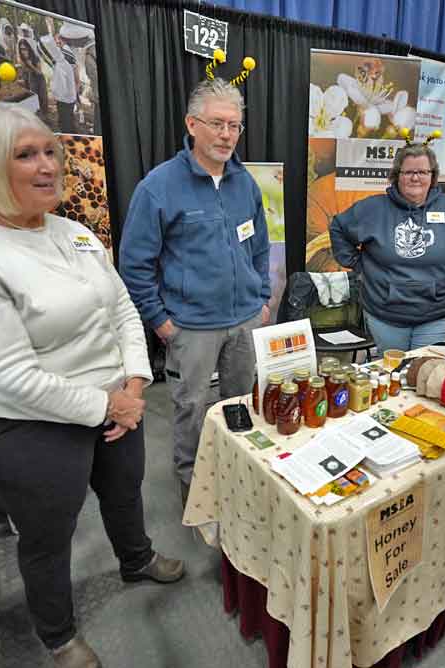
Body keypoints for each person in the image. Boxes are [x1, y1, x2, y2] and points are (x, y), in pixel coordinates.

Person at [0, 103, 184, 668]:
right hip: (29, 427)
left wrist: (137, 384)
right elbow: (8, 375)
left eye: (50, 151)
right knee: (48, 538)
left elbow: (120, 307)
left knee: (124, 492)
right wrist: (108, 404)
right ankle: (58, 635)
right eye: (25, 155)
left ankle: (135, 559)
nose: (47, 166)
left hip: (117, 403)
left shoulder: (73, 231)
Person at [120, 77, 270, 505]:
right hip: (191, 327)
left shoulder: (245, 184)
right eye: (217, 123)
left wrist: (260, 300)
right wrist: (161, 323)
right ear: (191, 124)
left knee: (241, 403)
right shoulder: (158, 187)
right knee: (189, 410)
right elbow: (134, 265)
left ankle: (238, 473)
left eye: (235, 126)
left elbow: (259, 247)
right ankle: (193, 490)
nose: (227, 135)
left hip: (243, 322)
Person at [329, 141, 445, 353]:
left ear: (433, 175)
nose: (415, 177)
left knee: (427, 372)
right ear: (397, 175)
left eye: (422, 171)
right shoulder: (373, 208)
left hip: (435, 315)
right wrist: (358, 264)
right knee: (392, 372)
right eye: (408, 171)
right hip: (386, 315)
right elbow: (338, 227)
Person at [17, 37, 48, 120]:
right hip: (30, 80)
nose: (23, 51)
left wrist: (30, 65)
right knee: (35, 98)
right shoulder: (21, 59)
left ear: (29, 48)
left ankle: (45, 116)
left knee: (43, 97)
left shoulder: (35, 57)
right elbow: (24, 72)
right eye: (21, 49)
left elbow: (39, 72)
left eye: (25, 48)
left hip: (40, 79)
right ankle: (38, 117)